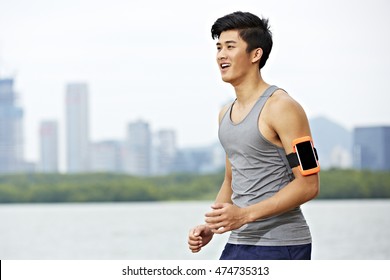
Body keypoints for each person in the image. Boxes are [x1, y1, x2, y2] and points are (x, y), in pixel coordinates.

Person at [187, 11, 320, 260]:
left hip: (281, 245)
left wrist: (244, 215)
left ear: (255, 54)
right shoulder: (225, 114)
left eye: (230, 46)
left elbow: (308, 184)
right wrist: (213, 227)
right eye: (218, 48)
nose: (221, 55)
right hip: (238, 242)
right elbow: (231, 179)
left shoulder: (283, 107)